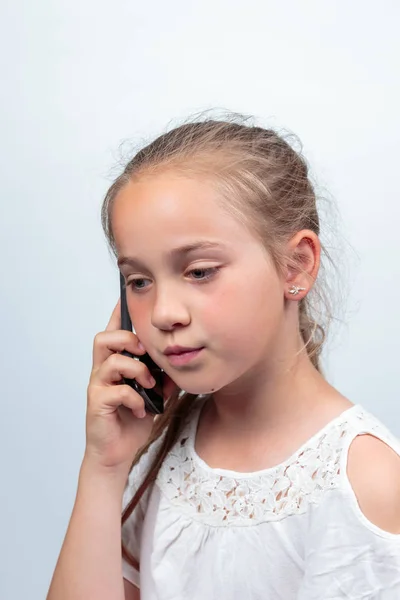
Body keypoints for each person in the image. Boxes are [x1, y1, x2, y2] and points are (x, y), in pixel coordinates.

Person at [47, 116, 400, 600]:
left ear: (296, 265)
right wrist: (104, 468)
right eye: (139, 282)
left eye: (198, 271)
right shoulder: (160, 459)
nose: (165, 313)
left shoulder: (361, 482)